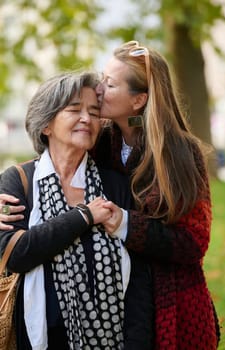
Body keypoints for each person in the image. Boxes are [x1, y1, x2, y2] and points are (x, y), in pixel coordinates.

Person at [0, 40, 220, 349]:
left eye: (110, 84)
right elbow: (52, 159)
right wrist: (7, 187)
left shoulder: (178, 153)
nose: (99, 91)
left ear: (138, 100)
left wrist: (126, 223)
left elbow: (193, 242)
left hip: (169, 299)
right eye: (102, 78)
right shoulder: (101, 142)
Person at [0, 71, 154, 349]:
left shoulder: (115, 185)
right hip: (40, 338)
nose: (87, 118)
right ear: (46, 124)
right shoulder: (19, 180)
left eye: (94, 112)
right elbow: (16, 254)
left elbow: (139, 281)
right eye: (74, 109)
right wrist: (82, 216)